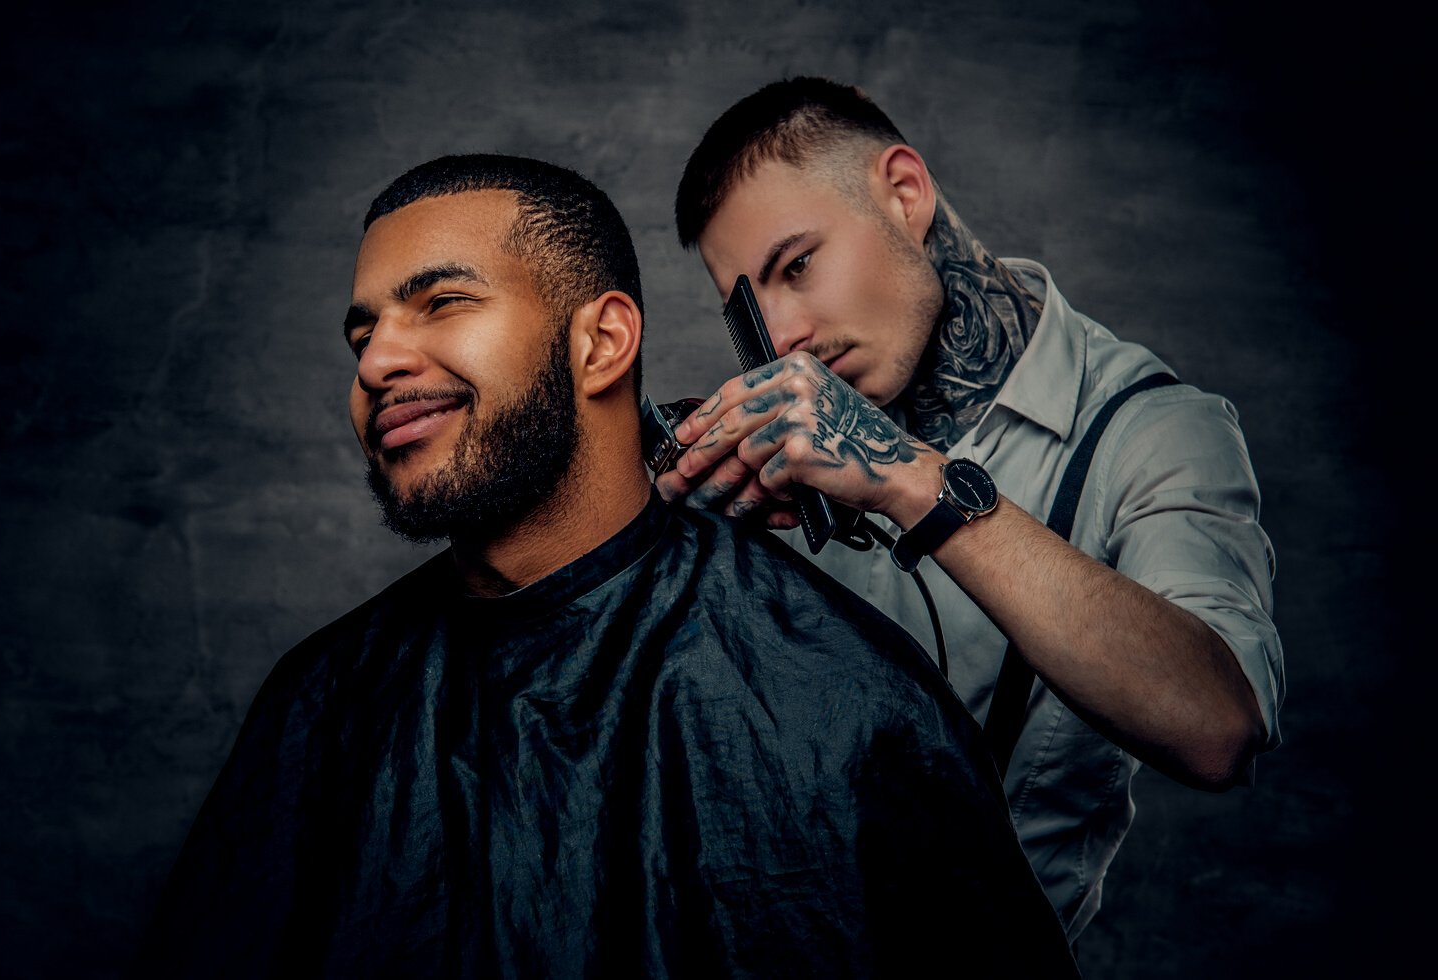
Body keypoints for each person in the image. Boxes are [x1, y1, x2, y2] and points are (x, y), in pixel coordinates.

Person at [136, 153, 1079, 978]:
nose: (378, 359)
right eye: (361, 334)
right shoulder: (321, 703)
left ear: (603, 341)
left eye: (442, 302)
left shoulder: (845, 696)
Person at [658, 77, 1285, 941]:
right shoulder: (785, 450)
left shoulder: (1150, 430)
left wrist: (912, 481)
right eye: (750, 312)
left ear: (904, 193)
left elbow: (1219, 728)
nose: (785, 332)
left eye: (797, 265)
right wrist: (672, 526)